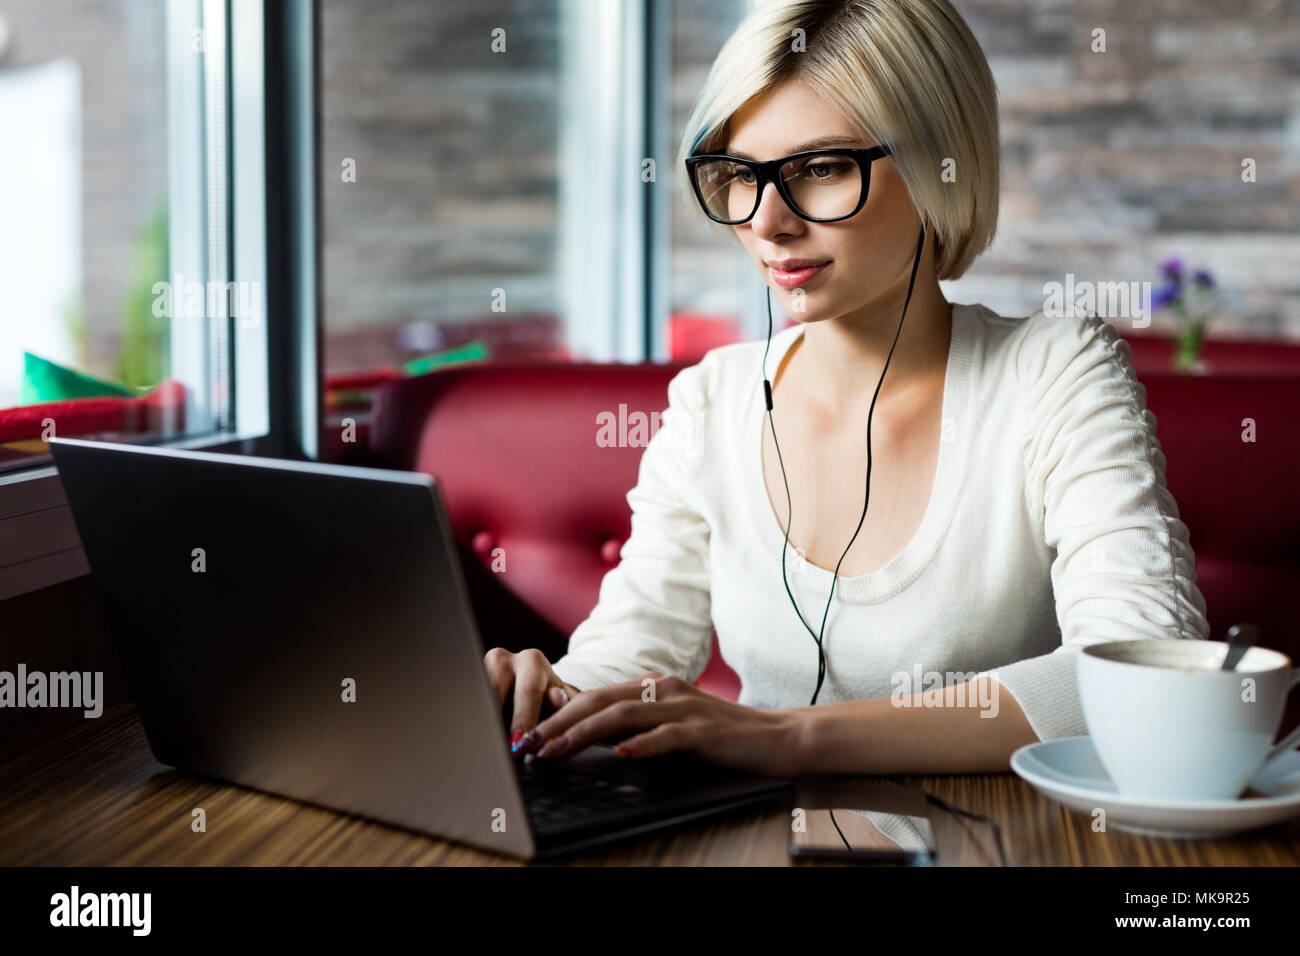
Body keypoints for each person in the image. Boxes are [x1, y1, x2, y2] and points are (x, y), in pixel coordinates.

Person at [484, 0, 1209, 777]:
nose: (767, 222)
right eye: (738, 175)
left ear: (940, 161)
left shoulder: (1054, 372)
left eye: (821, 169)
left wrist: (790, 738)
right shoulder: (712, 401)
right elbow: (631, 653)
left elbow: (1143, 667)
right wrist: (545, 696)